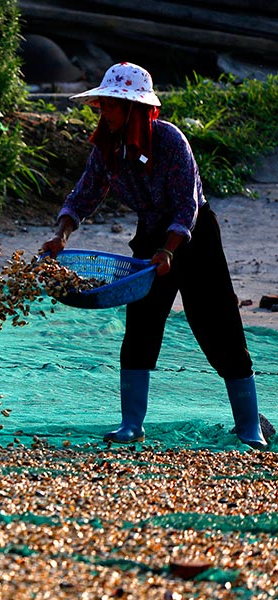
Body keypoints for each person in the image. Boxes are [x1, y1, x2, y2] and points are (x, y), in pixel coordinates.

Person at [41, 62, 267, 449]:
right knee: (141, 328)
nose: (104, 112)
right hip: (150, 238)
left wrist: (169, 250)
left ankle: (250, 427)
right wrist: (61, 233)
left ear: (135, 110)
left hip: (194, 241)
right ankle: (131, 424)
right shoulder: (108, 147)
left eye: (111, 106)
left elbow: (187, 207)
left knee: (219, 328)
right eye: (103, 105)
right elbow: (85, 194)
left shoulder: (171, 142)